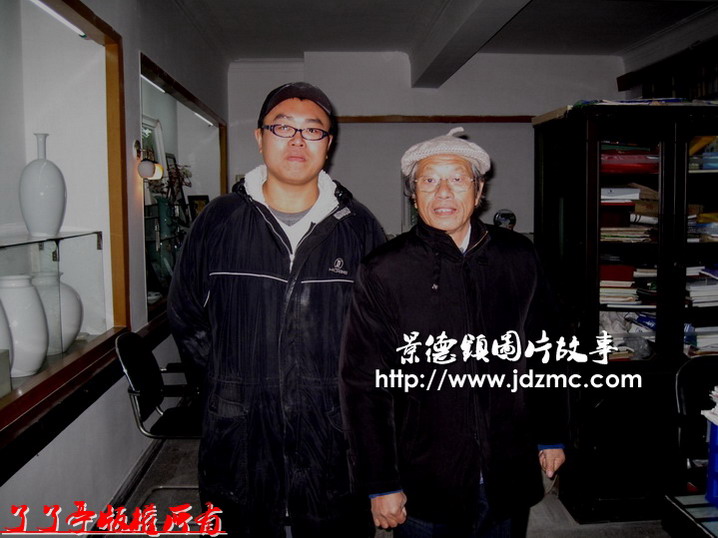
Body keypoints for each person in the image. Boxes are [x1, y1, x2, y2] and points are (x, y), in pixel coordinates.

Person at [168, 82, 384, 537]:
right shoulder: (218, 222)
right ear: (260, 137)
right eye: (283, 127)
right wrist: (230, 384)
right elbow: (187, 316)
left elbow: (379, 334)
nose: (298, 140)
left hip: (332, 429)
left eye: (313, 130)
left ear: (329, 144)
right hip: (240, 428)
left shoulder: (359, 228)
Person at [339, 127, 567, 537]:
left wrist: (550, 434)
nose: (443, 192)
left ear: (479, 192)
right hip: (424, 475)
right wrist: (381, 482)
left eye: (458, 179)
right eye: (429, 180)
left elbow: (545, 350)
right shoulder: (384, 269)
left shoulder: (518, 256)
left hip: (507, 464)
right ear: (414, 195)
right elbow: (363, 384)